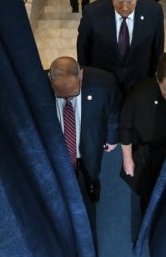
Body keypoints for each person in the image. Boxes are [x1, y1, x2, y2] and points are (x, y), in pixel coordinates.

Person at [119, 51, 166, 211]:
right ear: (157, 80)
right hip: (150, 157)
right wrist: (127, 159)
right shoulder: (140, 94)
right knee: (149, 198)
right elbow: (126, 126)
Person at [77, 0, 164, 96]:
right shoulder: (92, 13)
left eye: (130, 2)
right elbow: (83, 50)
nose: (124, 7)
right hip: (103, 85)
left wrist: (152, 81)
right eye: (119, 1)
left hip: (139, 84)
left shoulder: (154, 12)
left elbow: (157, 49)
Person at [48, 57, 120, 206]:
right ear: (50, 78)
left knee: (91, 170)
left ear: (80, 76)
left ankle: (92, 185)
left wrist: (112, 138)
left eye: (73, 94)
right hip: (59, 149)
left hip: (90, 142)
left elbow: (113, 112)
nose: (67, 98)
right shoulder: (37, 87)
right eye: (61, 95)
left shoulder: (104, 83)